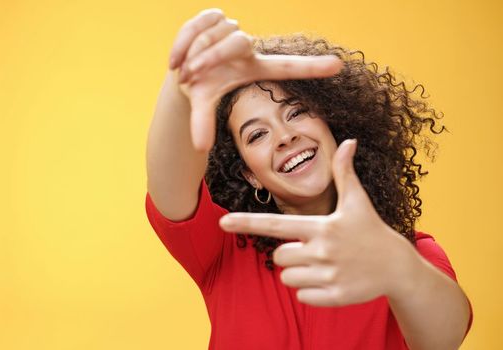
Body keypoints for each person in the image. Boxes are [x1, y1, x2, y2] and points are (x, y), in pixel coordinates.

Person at [145, 8, 473, 350]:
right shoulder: (224, 249)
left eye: (296, 112)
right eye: (257, 135)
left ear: (335, 125)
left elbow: (443, 338)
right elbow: (169, 185)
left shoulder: (411, 252)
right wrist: (181, 92)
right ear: (249, 176)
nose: (284, 136)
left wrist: (398, 267)